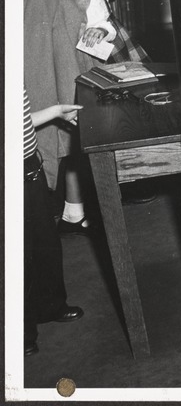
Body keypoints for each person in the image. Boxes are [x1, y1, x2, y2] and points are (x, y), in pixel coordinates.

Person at [24, 0, 97, 236]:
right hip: (45, 70)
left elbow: (97, 24)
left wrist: (101, 32)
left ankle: (72, 210)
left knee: (71, 148)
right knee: (51, 144)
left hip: (73, 65)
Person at [24, 89, 85, 357]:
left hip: (29, 167)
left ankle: (49, 306)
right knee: (19, 257)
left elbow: (21, 120)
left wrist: (56, 111)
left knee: (45, 244)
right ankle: (21, 332)